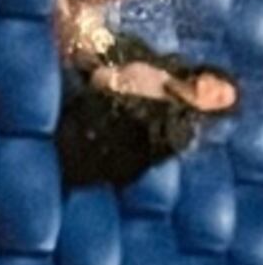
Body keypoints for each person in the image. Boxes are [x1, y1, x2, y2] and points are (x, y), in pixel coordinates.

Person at [54, 37, 238, 188]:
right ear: (209, 73)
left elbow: (116, 158)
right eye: (218, 81)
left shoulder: (173, 135)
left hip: (78, 131)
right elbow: (112, 44)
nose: (213, 89)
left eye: (218, 99)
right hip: (78, 76)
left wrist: (105, 82)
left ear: (209, 111)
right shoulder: (165, 65)